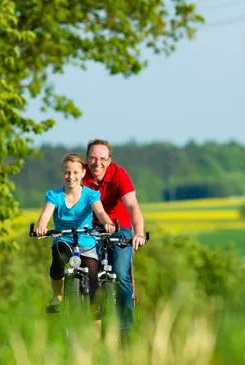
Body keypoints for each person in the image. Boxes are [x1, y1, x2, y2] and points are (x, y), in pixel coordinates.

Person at [82, 139, 146, 341]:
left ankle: (125, 330)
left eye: (102, 158)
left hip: (120, 228)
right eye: (92, 158)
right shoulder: (80, 174)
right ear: (86, 159)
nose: (97, 163)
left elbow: (133, 206)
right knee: (85, 271)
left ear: (109, 161)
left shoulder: (119, 174)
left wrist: (139, 233)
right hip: (90, 228)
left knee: (120, 273)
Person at [35, 153, 116, 313]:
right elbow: (46, 214)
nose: (71, 176)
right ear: (62, 173)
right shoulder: (55, 195)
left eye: (75, 172)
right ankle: (57, 295)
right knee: (58, 259)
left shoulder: (90, 195)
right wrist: (41, 226)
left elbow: (100, 212)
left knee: (93, 271)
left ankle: (94, 307)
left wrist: (107, 223)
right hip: (63, 238)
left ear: (83, 173)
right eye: (67, 172)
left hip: (86, 240)